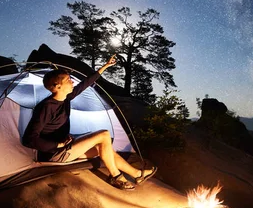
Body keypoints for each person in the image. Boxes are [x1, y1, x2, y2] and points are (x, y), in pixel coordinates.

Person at [22, 55, 157, 190]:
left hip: (66, 146)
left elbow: (84, 84)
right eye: (68, 80)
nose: (72, 83)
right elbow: (29, 139)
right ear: (57, 86)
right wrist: (58, 144)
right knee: (104, 135)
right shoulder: (45, 107)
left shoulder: (66, 98)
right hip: (54, 154)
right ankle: (116, 177)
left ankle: (137, 174)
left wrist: (104, 66)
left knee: (104, 147)